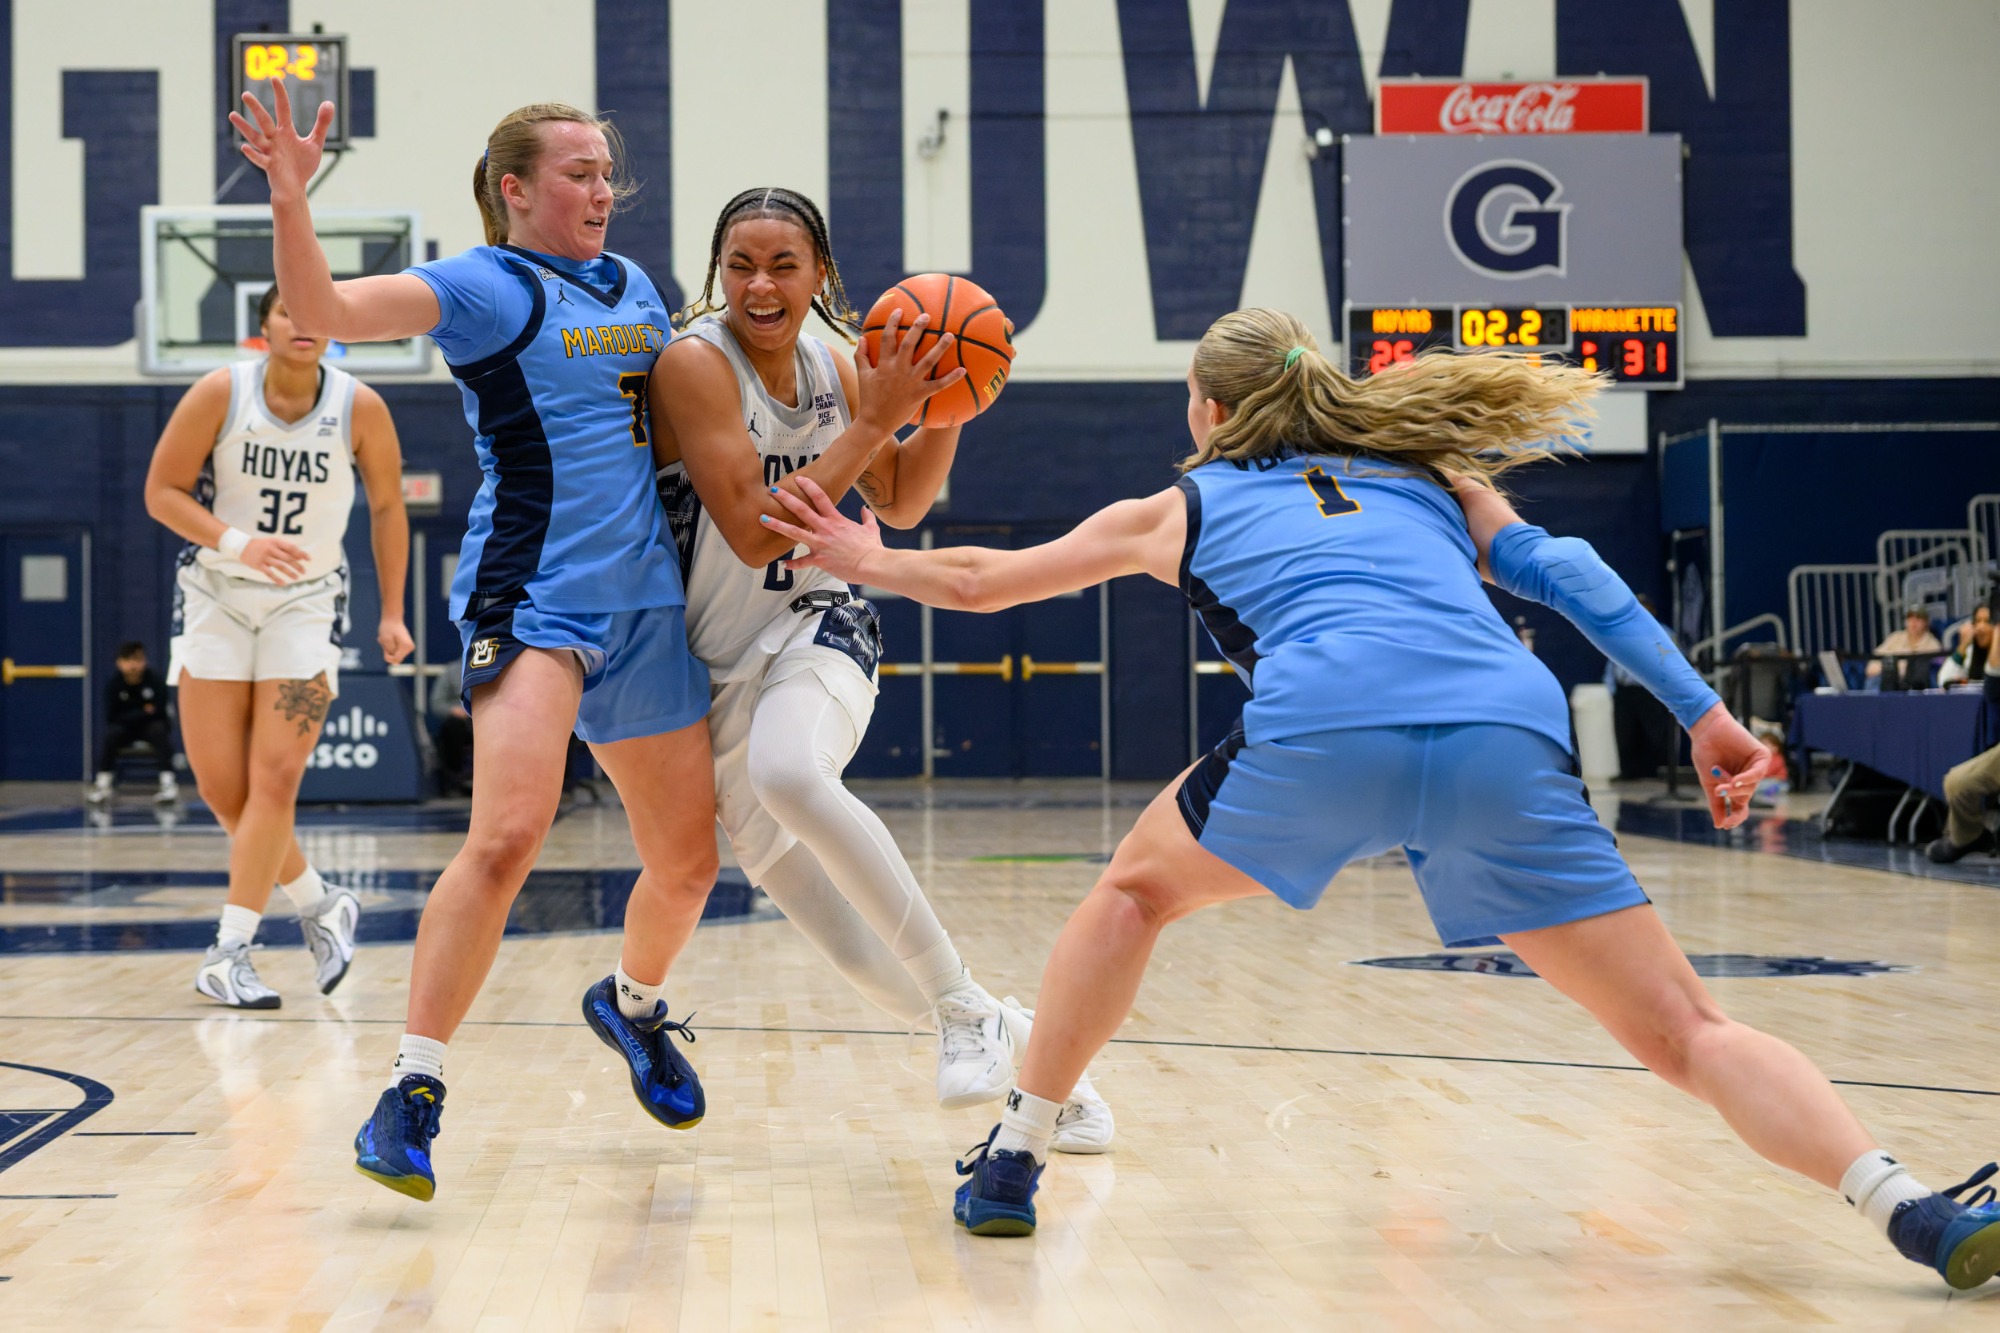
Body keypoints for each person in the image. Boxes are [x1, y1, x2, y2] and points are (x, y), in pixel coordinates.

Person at [760, 309, 2000, 1291]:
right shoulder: (1428, 473)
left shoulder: (1183, 503)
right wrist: (1703, 712)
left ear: (1207, 410)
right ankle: (1907, 1206)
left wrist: (867, 557)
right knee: (1687, 1030)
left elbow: (983, 580)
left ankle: (1013, 1160)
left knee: (1132, 896)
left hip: (1325, 727)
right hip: (1501, 730)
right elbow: (1566, 572)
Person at [229, 82, 958, 1202]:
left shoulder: (635, 288)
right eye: (579, 173)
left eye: (608, 173)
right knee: (508, 833)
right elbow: (321, 307)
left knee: (690, 861)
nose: (603, 190)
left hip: (649, 600)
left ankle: (632, 1005)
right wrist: (290, 195)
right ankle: (412, 1087)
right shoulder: (483, 285)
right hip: (537, 593)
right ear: (515, 190)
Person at [647, 186, 1106, 1146]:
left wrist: (945, 406)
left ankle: (964, 1008)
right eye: (741, 264)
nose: (760, 284)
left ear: (820, 273)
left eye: (783, 265)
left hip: (820, 621)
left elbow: (898, 503)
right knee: (860, 957)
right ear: (717, 271)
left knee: (790, 770)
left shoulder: (840, 366)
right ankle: (1034, 1057)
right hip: (716, 665)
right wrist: (877, 419)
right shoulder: (694, 364)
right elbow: (751, 529)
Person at [143, 283, 410, 1009]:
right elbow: (162, 492)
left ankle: (228, 951)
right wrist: (240, 543)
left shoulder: (359, 406)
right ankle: (321, 902)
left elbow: (389, 507)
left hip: (307, 604)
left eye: (314, 310)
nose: (303, 323)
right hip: (216, 594)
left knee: (275, 781)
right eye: (288, 309)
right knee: (223, 792)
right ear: (263, 322)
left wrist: (392, 611)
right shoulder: (221, 392)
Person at [86, 641, 178, 805]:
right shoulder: (114, 685)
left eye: (137, 660)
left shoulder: (155, 681)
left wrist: (133, 714)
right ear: (119, 663)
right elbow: (112, 716)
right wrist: (144, 711)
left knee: (159, 731)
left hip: (150, 727)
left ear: (144, 661)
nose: (133, 665)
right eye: (128, 660)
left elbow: (160, 712)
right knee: (112, 735)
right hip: (125, 729)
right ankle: (103, 783)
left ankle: (168, 782)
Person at [1867, 606, 1943, 684]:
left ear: (1926, 622)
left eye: (1918, 619)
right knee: (1875, 680)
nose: (1913, 623)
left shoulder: (1932, 644)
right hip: (1888, 678)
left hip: (1913, 682)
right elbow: (1874, 661)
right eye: (1910, 619)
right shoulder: (1895, 637)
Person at [1940, 602, 1993, 685]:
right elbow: (1944, 680)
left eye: (1987, 622)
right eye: (1977, 621)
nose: (1980, 627)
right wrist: (1963, 646)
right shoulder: (1970, 652)